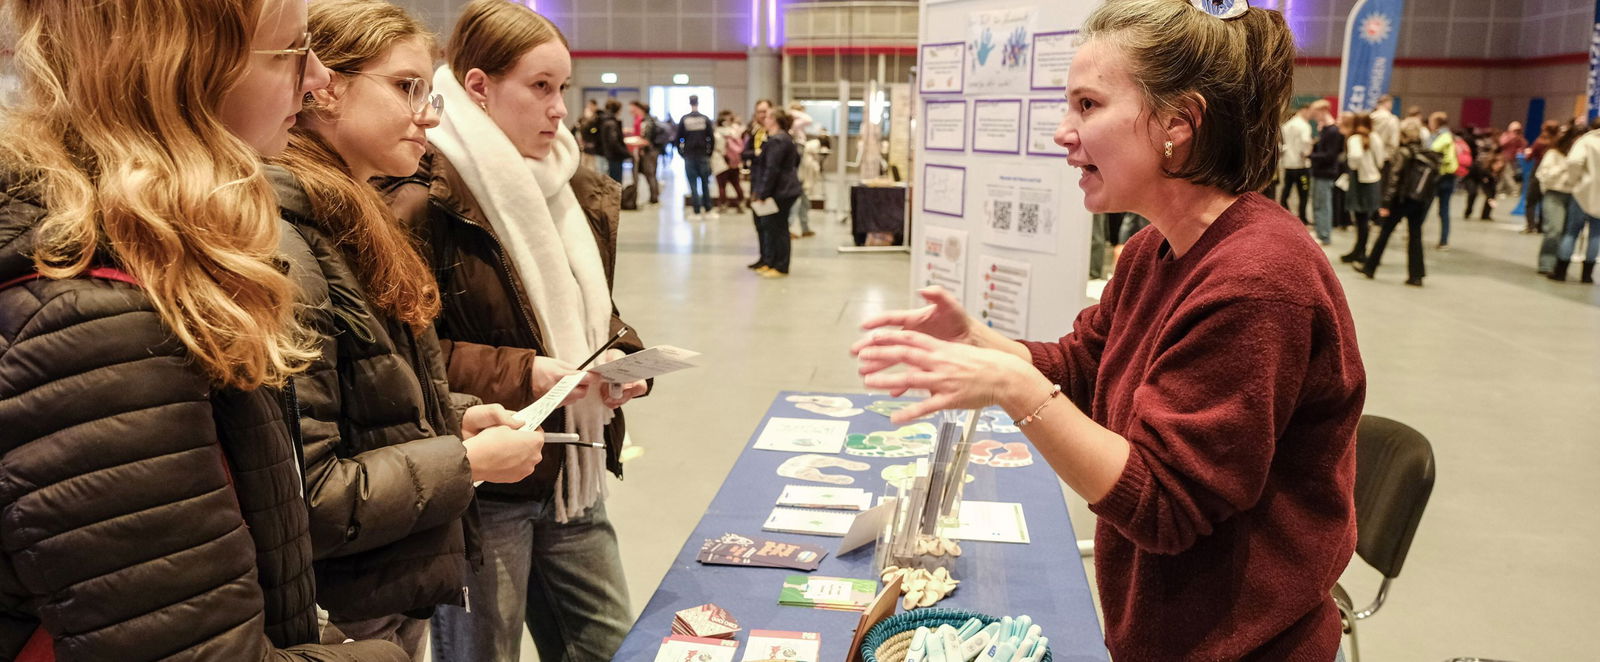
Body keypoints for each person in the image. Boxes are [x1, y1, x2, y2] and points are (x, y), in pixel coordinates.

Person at [855, 3, 1362, 659]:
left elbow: (1166, 504)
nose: (1063, 132)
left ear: (1178, 123)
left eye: (1088, 105)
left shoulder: (1257, 280)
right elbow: (1086, 365)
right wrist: (984, 343)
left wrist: (1014, 387)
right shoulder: (1155, 250)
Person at [0, 0, 408, 659]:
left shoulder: (148, 262)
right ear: (183, 69)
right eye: (291, 51)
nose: (316, 79)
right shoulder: (99, 318)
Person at [271, 1, 549, 656]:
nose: (428, 114)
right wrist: (464, 461)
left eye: (429, 92)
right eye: (405, 87)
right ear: (324, 87)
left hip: (384, 576)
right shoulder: (289, 241)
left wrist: (454, 416)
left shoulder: (351, 219)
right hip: (339, 604)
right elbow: (310, 490)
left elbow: (365, 404)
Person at [382, 2, 650, 659]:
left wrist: (623, 357)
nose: (559, 109)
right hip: (487, 480)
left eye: (563, 87)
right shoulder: (423, 195)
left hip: (573, 462)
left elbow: (590, 311)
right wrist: (524, 371)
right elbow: (402, 356)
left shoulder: (570, 185)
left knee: (607, 644)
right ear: (478, 86)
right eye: (540, 87)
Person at [1362, 122, 1440, 286]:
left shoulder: (1402, 153)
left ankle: (1370, 267)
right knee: (1415, 236)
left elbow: (1394, 179)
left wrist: (1385, 203)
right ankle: (1416, 275)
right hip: (1419, 200)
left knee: (1385, 233)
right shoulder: (1426, 154)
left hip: (1401, 200)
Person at [749, 108, 803, 278]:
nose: (764, 119)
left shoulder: (778, 140)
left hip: (781, 191)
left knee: (779, 229)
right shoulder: (782, 138)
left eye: (768, 117)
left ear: (774, 120)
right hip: (782, 188)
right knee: (772, 227)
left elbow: (771, 169)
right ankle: (771, 262)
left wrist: (763, 193)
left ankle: (781, 266)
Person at [1553, 121, 1600, 283]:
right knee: (1596, 235)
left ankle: (1560, 272)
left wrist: (1574, 181)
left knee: (1571, 232)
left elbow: (1574, 161)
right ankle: (1587, 275)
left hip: (1582, 193)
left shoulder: (1586, 141)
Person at [1535, 124, 1579, 275]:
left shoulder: (1582, 157)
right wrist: (1565, 166)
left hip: (1574, 196)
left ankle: (1559, 266)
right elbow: (1544, 175)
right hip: (1554, 194)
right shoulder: (1553, 154)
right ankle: (1546, 263)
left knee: (1568, 233)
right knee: (1554, 229)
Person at [1341, 113, 1384, 266]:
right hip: (1373, 180)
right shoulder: (1375, 137)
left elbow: (1355, 158)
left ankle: (1360, 251)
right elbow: (1381, 160)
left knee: (1361, 220)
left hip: (1359, 181)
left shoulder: (1354, 139)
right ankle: (1360, 250)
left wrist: (1354, 166)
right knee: (1365, 219)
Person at [741, 99, 775, 269]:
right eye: (759, 112)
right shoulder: (755, 132)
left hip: (770, 185)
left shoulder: (776, 135)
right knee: (759, 223)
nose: (762, 115)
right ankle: (763, 257)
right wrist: (756, 153)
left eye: (764, 111)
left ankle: (772, 260)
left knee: (770, 225)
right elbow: (744, 153)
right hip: (756, 182)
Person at [1308, 99, 1342, 244]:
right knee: (1317, 204)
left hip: (1326, 172)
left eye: (1316, 114)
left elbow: (1330, 155)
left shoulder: (1333, 131)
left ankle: (1324, 235)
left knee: (1323, 205)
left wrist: (1310, 156)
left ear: (1323, 111)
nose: (1315, 118)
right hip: (1319, 171)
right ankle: (1319, 231)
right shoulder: (1325, 129)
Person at [677, 94, 716, 218]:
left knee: (693, 184)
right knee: (705, 183)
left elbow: (678, 138)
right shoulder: (705, 119)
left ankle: (696, 211)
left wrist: (681, 152)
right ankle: (708, 209)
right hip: (703, 154)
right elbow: (711, 137)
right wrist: (709, 152)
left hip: (689, 155)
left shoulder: (684, 119)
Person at [1427, 112, 1460, 249]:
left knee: (1425, 207)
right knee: (1444, 210)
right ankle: (1444, 240)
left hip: (1439, 176)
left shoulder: (1442, 136)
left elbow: (1431, 150)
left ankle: (1414, 233)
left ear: (1436, 123)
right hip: (1449, 177)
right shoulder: (1451, 136)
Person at [1278, 104, 1313, 223]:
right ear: (1305, 110)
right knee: (1304, 192)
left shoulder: (1286, 125)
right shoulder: (1304, 125)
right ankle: (1302, 218)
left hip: (1288, 164)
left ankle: (1284, 214)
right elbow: (1306, 141)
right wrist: (1307, 153)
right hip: (1301, 166)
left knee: (1286, 191)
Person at [714, 111, 748, 212]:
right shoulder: (734, 132)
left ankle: (723, 205)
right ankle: (741, 203)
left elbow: (717, 148)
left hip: (721, 161)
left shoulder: (716, 133)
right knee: (736, 184)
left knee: (721, 186)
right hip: (734, 162)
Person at [630, 101, 662, 204]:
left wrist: (632, 142)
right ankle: (654, 196)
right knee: (651, 174)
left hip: (650, 152)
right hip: (652, 151)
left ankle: (654, 197)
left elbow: (646, 140)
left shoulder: (647, 122)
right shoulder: (650, 120)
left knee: (650, 174)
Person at [1370, 94, 1400, 162]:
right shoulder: (1392, 119)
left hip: (1369, 155)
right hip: (1385, 156)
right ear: (1388, 103)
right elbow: (1394, 141)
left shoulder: (1370, 117)